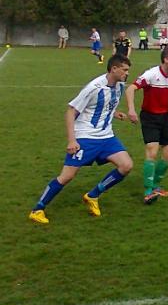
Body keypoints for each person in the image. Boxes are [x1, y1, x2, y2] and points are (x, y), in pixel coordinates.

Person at [29, 55, 134, 224]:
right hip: (86, 137)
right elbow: (71, 111)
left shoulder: (120, 85)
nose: (127, 74)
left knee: (126, 165)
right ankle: (38, 209)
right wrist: (72, 140)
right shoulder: (94, 87)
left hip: (107, 136)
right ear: (114, 69)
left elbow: (105, 104)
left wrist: (115, 113)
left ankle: (93, 195)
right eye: (125, 70)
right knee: (67, 176)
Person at [125, 46, 168, 204]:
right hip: (149, 117)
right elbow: (131, 89)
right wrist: (131, 110)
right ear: (166, 59)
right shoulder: (151, 75)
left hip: (165, 117)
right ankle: (148, 191)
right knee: (152, 152)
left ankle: (155, 185)